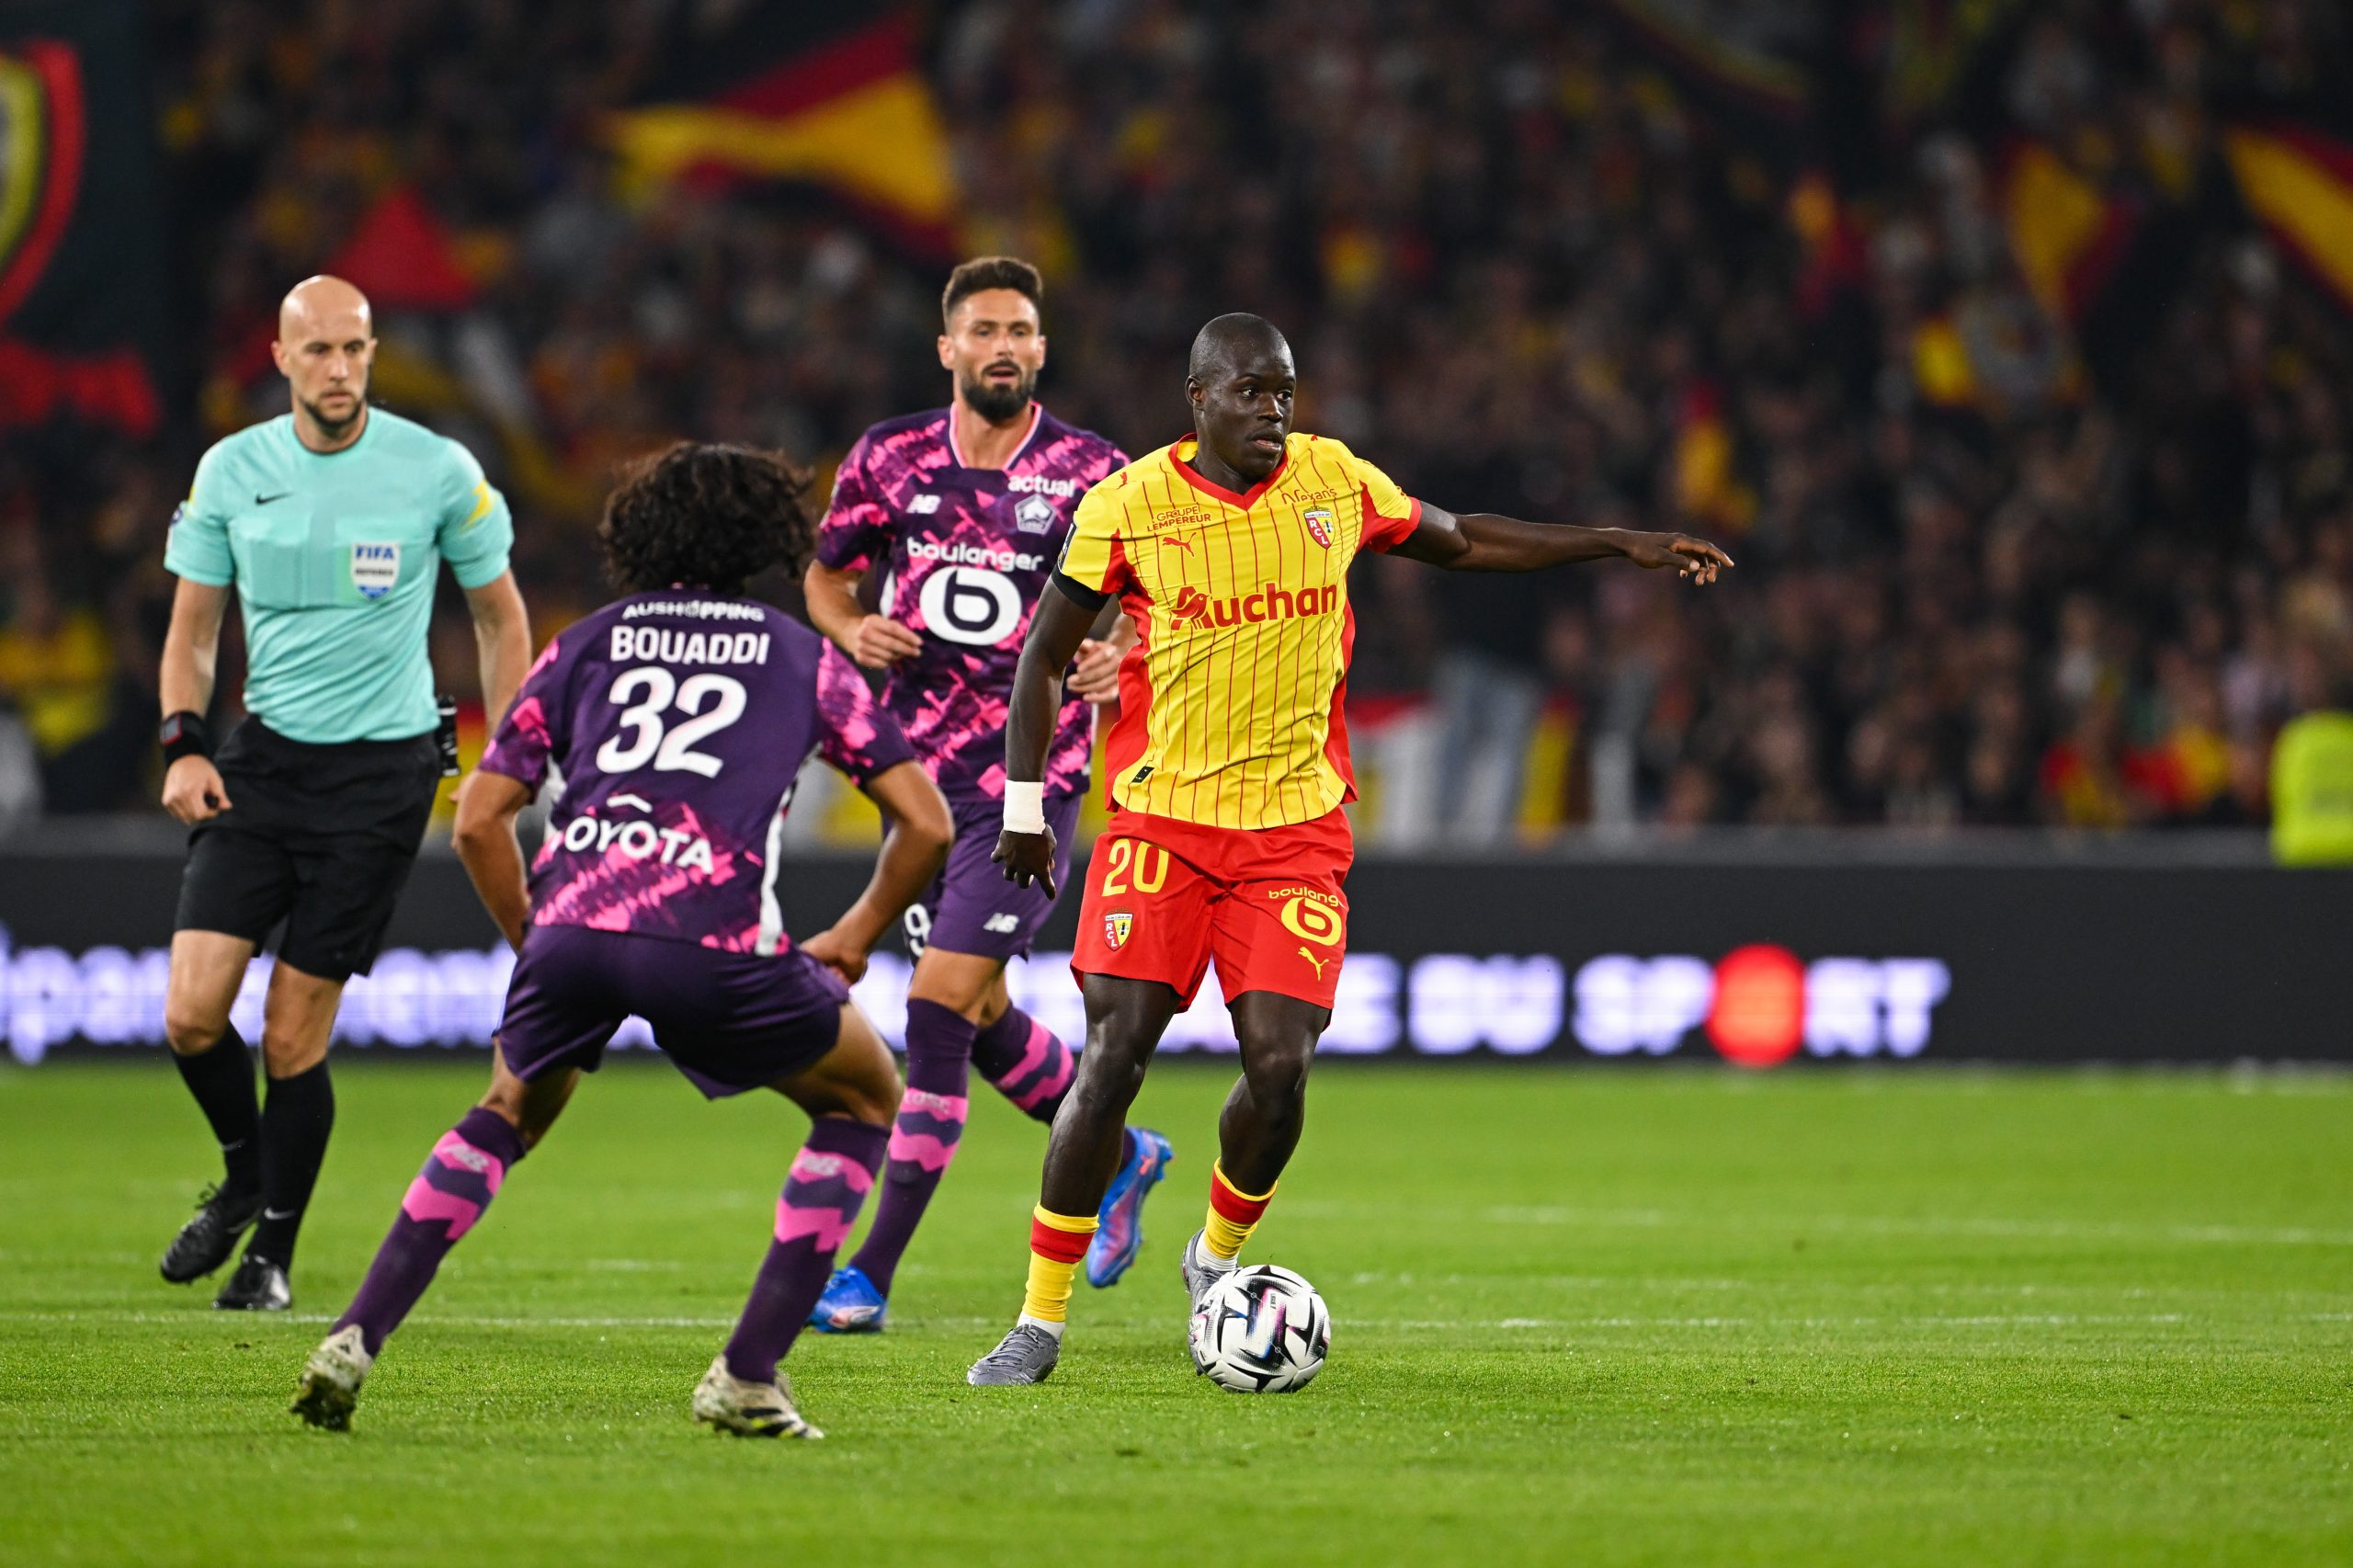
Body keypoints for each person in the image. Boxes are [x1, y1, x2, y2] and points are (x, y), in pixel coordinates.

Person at [968, 314, 1732, 1384]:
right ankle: (1038, 1321)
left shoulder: (1335, 482)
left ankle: (1211, 1259)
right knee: (1113, 1056)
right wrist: (1019, 807)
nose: (1274, 412)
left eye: (1284, 392)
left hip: (1293, 830)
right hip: (1161, 820)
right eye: (1250, 393)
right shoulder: (1129, 504)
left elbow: (1463, 537)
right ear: (1199, 399)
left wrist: (1622, 541)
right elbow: (1044, 656)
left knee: (1279, 1071)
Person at [291, 442, 953, 1437]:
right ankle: (747, 1372)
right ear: (765, 537)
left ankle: (354, 1336)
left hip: (574, 923)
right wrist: (855, 934)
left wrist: (536, 932)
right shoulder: (802, 655)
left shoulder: (584, 643)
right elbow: (927, 821)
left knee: (506, 1110)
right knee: (866, 1100)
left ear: (639, 534)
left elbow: (477, 818)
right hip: (708, 936)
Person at [799, 256, 1170, 1335]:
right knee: (980, 1001)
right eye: (984, 330)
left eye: (1020, 330)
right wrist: (848, 624)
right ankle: (1118, 1152)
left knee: (935, 1009)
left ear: (1041, 349)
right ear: (948, 348)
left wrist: (1124, 653)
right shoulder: (888, 456)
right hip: (913, 784)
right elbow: (826, 573)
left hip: (1029, 783)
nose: (1003, 346)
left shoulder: (1097, 470)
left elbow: (1160, 599)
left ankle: (866, 1272)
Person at [156, 276, 532, 1310]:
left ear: (372, 352)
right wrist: (183, 747)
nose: (338, 369)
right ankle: (244, 1173)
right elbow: (192, 631)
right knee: (191, 1015)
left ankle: (271, 1254)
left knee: (291, 1036)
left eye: (355, 349)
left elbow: (500, 619)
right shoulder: (232, 471)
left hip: (384, 773)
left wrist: (510, 752)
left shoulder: (436, 469)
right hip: (265, 762)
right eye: (317, 351)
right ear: (280, 359)